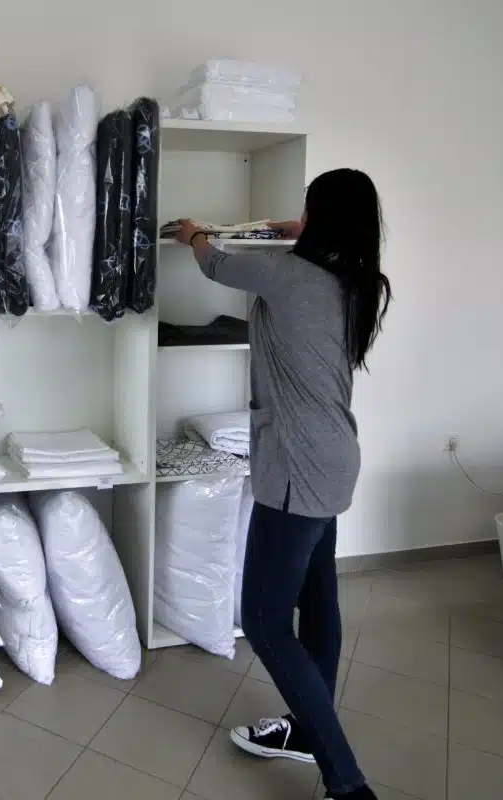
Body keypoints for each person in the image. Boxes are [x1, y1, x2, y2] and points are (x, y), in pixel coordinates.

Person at [174, 168, 391, 800]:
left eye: (308, 209)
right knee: (318, 599)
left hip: (297, 465)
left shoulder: (288, 275)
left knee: (265, 620)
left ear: (321, 217)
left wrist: (194, 236)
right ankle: (306, 728)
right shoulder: (354, 280)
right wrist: (302, 232)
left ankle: (347, 783)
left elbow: (217, 265)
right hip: (334, 458)